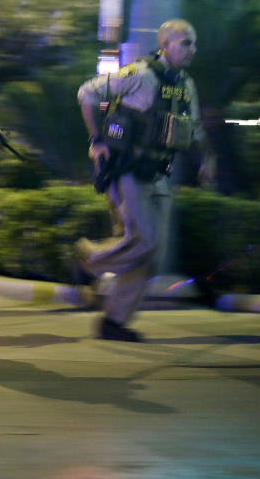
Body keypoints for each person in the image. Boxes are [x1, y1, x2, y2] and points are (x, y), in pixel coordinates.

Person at [75, 19, 215, 342]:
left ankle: (115, 321)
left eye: (193, 44)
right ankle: (88, 260)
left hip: (158, 174)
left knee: (153, 253)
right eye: (186, 42)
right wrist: (96, 139)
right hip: (128, 172)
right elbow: (87, 93)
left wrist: (208, 157)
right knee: (145, 240)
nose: (193, 49)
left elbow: (193, 128)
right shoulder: (140, 74)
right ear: (165, 44)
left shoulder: (185, 84)